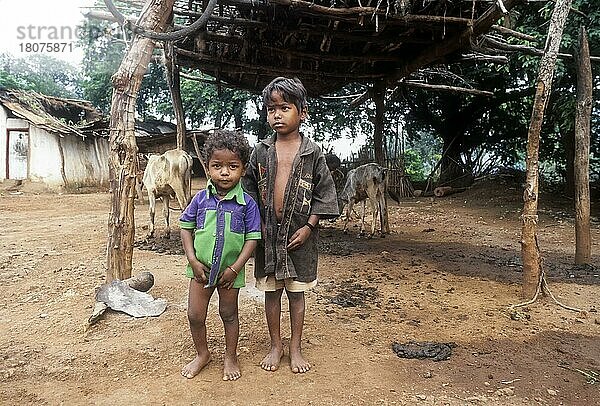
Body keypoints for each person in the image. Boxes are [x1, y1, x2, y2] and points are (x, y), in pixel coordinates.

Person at [243, 77, 339, 373]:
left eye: (285, 107)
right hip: (268, 236)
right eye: (271, 109)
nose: (277, 114)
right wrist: (253, 221)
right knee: (271, 293)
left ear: (303, 112)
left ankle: (295, 348)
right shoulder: (260, 151)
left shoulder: (312, 153)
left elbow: (325, 193)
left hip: (300, 238)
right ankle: (276, 346)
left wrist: (309, 227)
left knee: (296, 295)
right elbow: (246, 187)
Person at [179, 129, 262, 381]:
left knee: (229, 314)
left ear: (243, 169)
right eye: (217, 166)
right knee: (194, 314)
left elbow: (253, 238)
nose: (224, 172)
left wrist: (236, 267)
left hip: (229, 273)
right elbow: (185, 227)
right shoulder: (199, 200)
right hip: (200, 271)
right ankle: (202, 354)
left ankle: (230, 356)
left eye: (232, 166)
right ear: (207, 167)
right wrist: (193, 260)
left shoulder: (247, 204)